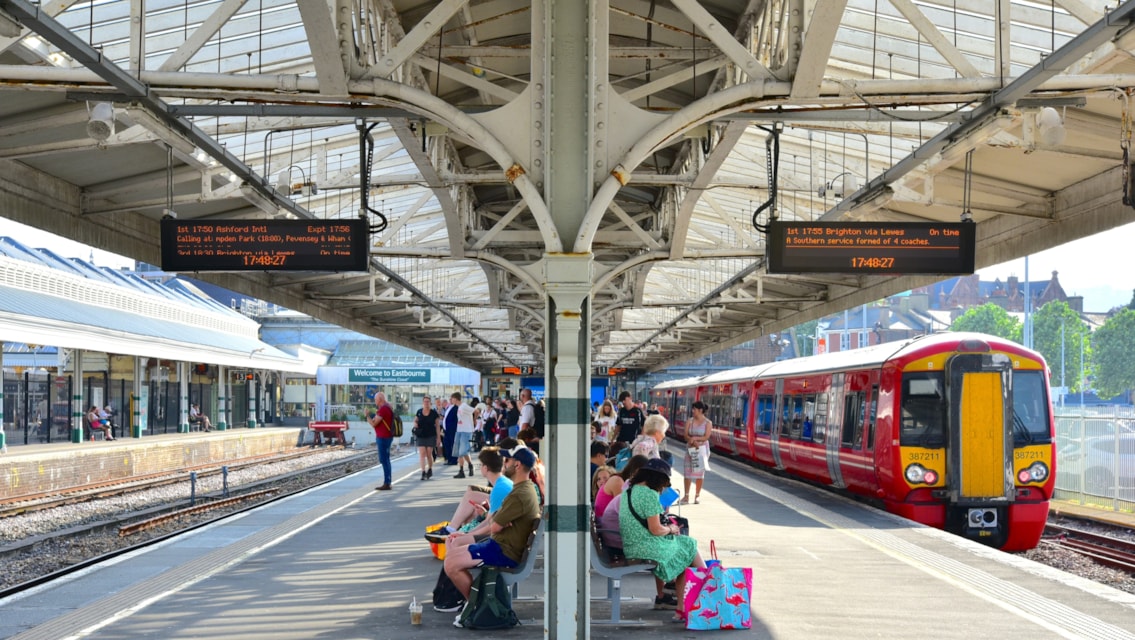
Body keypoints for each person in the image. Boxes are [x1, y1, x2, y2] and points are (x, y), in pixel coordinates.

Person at [443, 446, 542, 600]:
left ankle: (476, 606)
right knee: (451, 556)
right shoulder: (524, 489)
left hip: (503, 551)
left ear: (517, 465)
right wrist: (498, 519)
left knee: (451, 563)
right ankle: (474, 604)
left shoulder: (518, 495)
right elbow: (496, 521)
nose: (504, 464)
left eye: (507, 461)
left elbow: (494, 527)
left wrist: (498, 520)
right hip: (501, 546)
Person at [618, 457, 705, 621]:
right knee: (689, 545)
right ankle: (707, 590)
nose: (663, 488)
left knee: (685, 548)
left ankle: (683, 608)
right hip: (645, 546)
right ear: (657, 479)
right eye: (664, 483)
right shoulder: (649, 494)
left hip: (633, 545)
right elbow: (656, 529)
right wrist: (671, 529)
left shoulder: (629, 491)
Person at [442, 447, 514, 533]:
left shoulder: (498, 490)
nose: (480, 468)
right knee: (472, 514)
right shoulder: (503, 482)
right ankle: (454, 530)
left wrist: (466, 535)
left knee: (471, 500)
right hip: (507, 528)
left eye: (480, 465)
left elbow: (489, 523)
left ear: (486, 468)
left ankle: (452, 530)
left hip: (504, 535)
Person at [596, 454, 648, 519]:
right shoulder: (617, 481)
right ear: (637, 470)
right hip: (607, 526)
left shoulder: (622, 481)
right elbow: (625, 510)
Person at [681, 400, 712, 504]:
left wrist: (695, 440)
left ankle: (697, 496)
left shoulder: (708, 423)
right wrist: (691, 441)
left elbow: (706, 436)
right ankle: (686, 496)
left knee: (699, 473)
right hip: (690, 449)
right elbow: (685, 435)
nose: (692, 411)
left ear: (700, 410)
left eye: (694, 409)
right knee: (687, 473)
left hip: (701, 449)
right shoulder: (690, 421)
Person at [368, 391, 395, 491]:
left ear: (380, 399)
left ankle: (387, 482)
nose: (374, 401)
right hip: (387, 436)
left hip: (383, 437)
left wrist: (367, 416)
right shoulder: (387, 407)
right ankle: (388, 481)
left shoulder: (383, 409)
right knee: (386, 459)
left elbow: (374, 423)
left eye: (375, 399)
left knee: (384, 460)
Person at [413, 396, 442, 480]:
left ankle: (430, 468)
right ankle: (423, 471)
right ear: (423, 403)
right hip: (421, 435)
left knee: (429, 454)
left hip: (431, 435)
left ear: (430, 403)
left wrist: (438, 438)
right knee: (422, 453)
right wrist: (415, 424)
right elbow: (415, 420)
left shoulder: (433, 413)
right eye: (425, 401)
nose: (426, 403)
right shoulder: (419, 412)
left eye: (428, 401)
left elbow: (437, 426)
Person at [454, 395, 476, 478]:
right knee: (460, 452)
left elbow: (475, 411)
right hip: (459, 430)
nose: (451, 400)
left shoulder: (464, 406)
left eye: (452, 399)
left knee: (462, 451)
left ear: (456, 399)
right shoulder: (459, 407)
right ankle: (463, 469)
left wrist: (474, 421)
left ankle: (466, 467)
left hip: (466, 431)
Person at [443, 392, 460, 466]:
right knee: (447, 444)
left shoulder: (456, 408)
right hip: (446, 430)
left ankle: (454, 460)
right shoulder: (449, 407)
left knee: (453, 445)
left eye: (452, 398)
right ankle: (449, 459)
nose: (450, 400)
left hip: (452, 430)